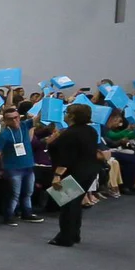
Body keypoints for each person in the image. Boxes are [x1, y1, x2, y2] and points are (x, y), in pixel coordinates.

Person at [48, 105, 106, 246]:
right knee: (75, 204)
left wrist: (57, 176)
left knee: (67, 206)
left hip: (73, 172)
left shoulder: (70, 134)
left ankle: (65, 237)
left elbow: (65, 158)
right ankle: (74, 234)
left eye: (66, 112)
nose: (65, 114)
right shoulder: (91, 131)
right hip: (90, 171)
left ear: (72, 116)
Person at [0, 106, 45, 225]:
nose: (15, 121)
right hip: (13, 168)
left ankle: (27, 213)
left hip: (28, 165)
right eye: (11, 119)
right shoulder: (4, 134)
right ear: (6, 121)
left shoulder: (24, 125)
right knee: (14, 194)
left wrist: (46, 101)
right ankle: (9, 216)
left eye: (16, 118)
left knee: (28, 192)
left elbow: (38, 118)